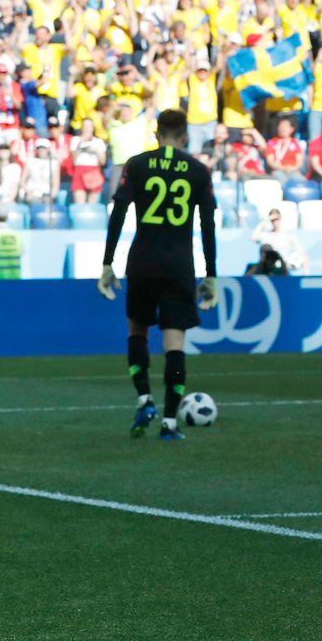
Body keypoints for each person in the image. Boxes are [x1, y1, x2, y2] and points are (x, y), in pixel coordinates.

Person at [98, 109, 218, 442]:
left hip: (143, 260)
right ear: (184, 137)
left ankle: (144, 398)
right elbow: (207, 225)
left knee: (137, 329)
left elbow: (118, 214)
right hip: (179, 264)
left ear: (156, 134)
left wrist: (107, 262)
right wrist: (211, 274)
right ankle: (169, 423)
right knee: (174, 342)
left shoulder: (136, 164)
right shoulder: (198, 171)